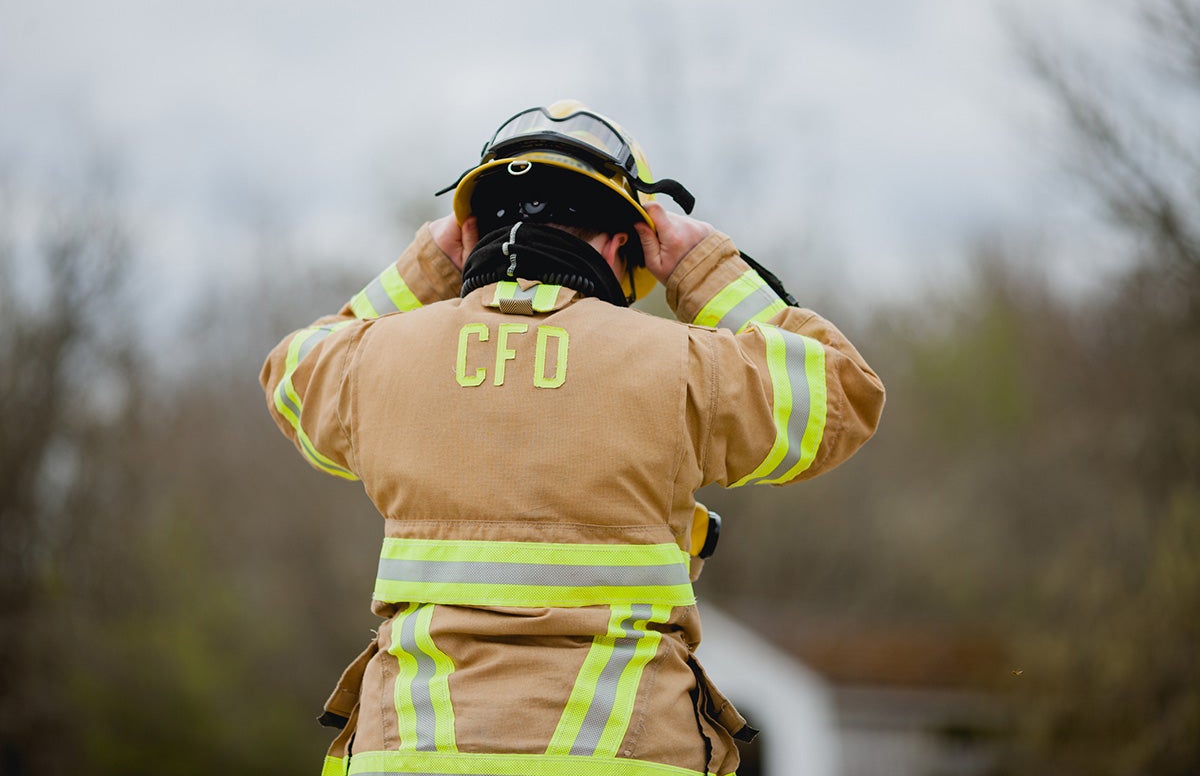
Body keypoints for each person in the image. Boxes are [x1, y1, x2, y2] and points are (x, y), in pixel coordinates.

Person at [261, 100, 885, 776]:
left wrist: (426, 268)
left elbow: (291, 376)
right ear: (625, 247)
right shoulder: (680, 365)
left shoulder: (374, 362)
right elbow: (843, 392)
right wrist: (701, 267)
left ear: (467, 234)